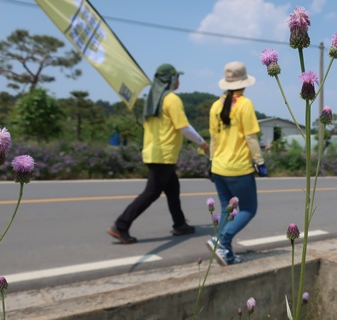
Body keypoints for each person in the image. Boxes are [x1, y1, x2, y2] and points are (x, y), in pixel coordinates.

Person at [107, 63, 209, 244]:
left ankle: (180, 224)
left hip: (152, 151)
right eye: (176, 77)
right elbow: (184, 127)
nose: (179, 80)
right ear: (169, 79)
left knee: (172, 188)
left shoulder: (153, 99)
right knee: (152, 192)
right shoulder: (171, 99)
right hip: (164, 154)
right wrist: (203, 143)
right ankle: (121, 225)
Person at [207, 61, 267, 265]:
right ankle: (222, 240)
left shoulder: (216, 105)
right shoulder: (244, 104)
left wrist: (211, 161)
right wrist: (259, 161)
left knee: (227, 208)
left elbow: (213, 139)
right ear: (244, 82)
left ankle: (226, 253)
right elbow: (251, 137)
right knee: (249, 208)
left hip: (218, 167)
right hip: (238, 167)